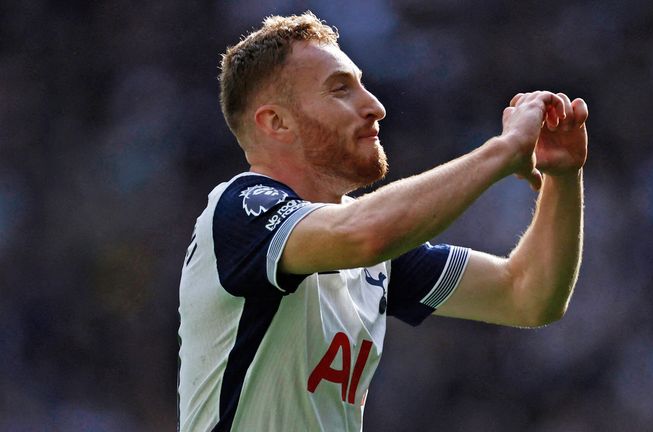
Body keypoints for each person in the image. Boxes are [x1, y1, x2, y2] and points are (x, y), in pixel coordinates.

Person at [177, 11, 588, 432]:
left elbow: (527, 295)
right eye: (340, 90)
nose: (375, 107)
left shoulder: (371, 252)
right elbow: (364, 235)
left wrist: (561, 176)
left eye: (363, 85)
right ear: (276, 122)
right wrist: (504, 150)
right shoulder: (240, 209)